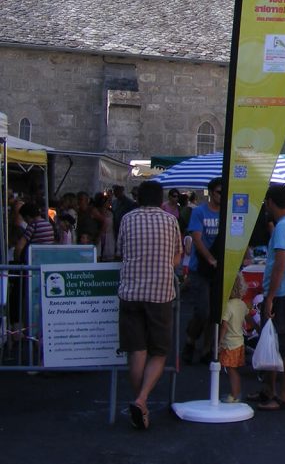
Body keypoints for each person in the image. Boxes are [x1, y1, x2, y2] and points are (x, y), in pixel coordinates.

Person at [116, 180, 181, 430]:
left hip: (131, 292)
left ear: (139, 197)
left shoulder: (127, 219)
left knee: (137, 350)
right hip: (160, 293)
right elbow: (176, 258)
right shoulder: (170, 221)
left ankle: (140, 403)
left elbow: (121, 252)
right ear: (160, 198)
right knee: (159, 351)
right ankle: (142, 400)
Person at [253, 184, 285, 411]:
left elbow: (280, 263)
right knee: (273, 340)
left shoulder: (283, 227)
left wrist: (270, 296)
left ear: (271, 202)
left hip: (282, 291)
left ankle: (284, 396)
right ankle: (269, 390)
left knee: (282, 342)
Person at [182, 178, 222, 364]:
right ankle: (190, 340)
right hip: (201, 268)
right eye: (219, 193)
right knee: (203, 310)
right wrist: (210, 258)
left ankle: (207, 349)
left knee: (216, 312)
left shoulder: (228, 212)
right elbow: (196, 239)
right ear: (211, 193)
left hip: (219, 269)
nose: (222, 196)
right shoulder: (199, 212)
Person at [219, 273, 249, 404]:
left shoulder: (227, 306)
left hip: (230, 344)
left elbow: (224, 326)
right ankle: (235, 393)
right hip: (239, 342)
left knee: (231, 371)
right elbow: (248, 318)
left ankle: (235, 395)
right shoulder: (242, 304)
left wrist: (219, 342)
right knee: (234, 370)